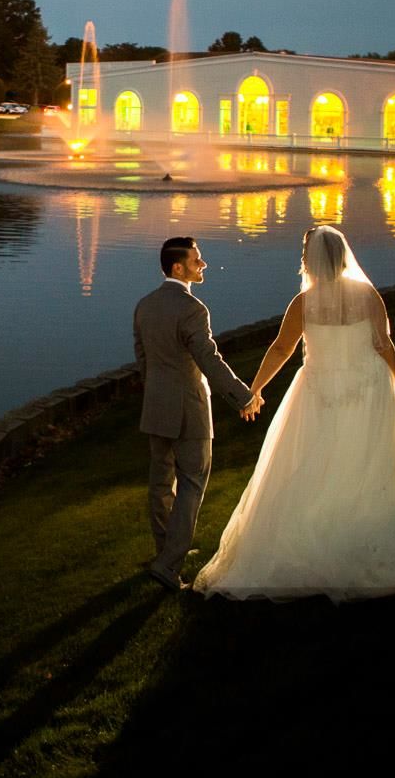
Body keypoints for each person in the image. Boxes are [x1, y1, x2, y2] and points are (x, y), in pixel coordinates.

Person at [192, 225, 395, 601]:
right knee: (363, 463)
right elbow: (385, 347)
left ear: (312, 261)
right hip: (368, 390)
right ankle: (363, 530)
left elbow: (280, 349)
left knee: (315, 462)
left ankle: (323, 533)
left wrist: (254, 389)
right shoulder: (367, 295)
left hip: (318, 392)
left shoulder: (305, 303)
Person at [134, 236, 264, 593]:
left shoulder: (144, 306)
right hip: (189, 409)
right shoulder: (193, 309)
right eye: (197, 260)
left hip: (156, 408)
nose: (203, 264)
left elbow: (143, 362)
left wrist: (156, 394)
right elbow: (209, 359)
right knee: (192, 483)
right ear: (178, 267)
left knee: (160, 485)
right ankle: (168, 564)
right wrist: (243, 396)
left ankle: (165, 554)